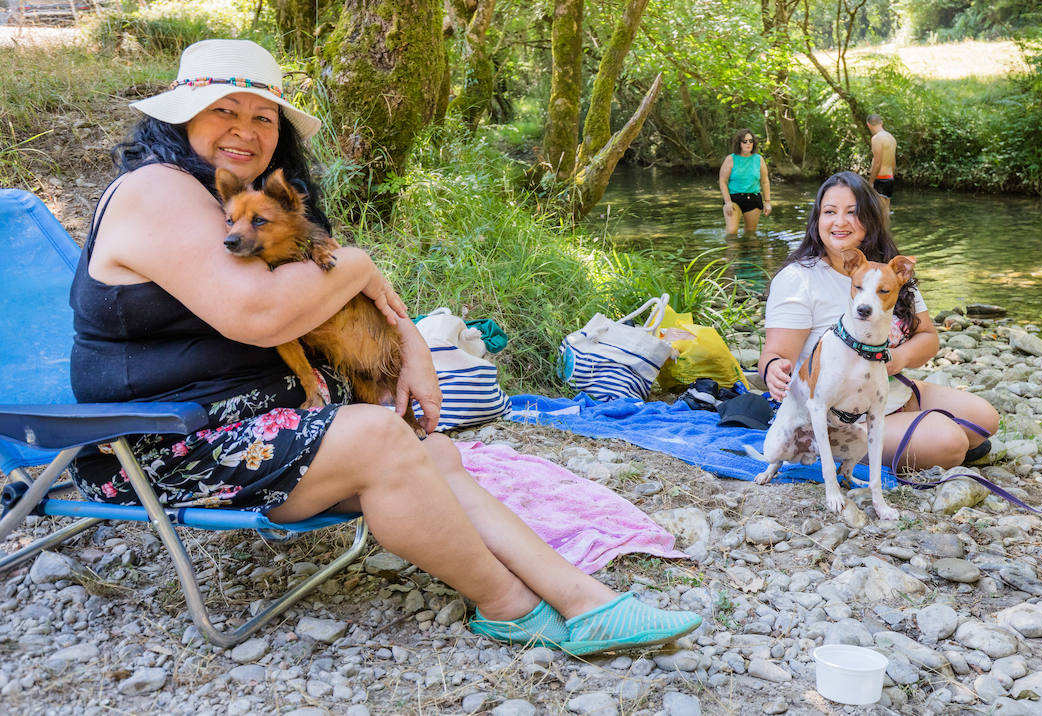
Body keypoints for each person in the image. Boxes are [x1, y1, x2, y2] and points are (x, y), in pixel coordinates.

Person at [68, 39, 700, 655]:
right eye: (223, 112)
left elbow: (335, 291)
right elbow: (257, 315)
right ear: (181, 118)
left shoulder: (237, 202)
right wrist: (363, 262)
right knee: (380, 440)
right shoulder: (159, 189)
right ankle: (511, 608)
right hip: (156, 442)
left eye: (263, 117)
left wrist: (413, 348)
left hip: (262, 427)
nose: (246, 130)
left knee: (436, 457)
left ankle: (586, 600)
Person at [757, 171, 998, 473]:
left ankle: (915, 433)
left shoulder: (888, 271)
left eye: (852, 212)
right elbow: (776, 355)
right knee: (951, 443)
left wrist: (896, 359)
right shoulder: (799, 279)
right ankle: (837, 449)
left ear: (871, 218)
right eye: (829, 212)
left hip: (889, 388)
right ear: (817, 219)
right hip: (838, 414)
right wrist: (774, 369)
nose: (839, 222)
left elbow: (928, 337)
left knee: (985, 419)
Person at [718, 128, 771, 236]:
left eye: (751, 141)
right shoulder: (731, 159)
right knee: (732, 232)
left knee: (750, 234)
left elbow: (765, 181)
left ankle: (748, 253)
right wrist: (727, 202)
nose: (748, 144)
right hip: (734, 199)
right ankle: (732, 253)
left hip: (753, 198)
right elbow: (723, 181)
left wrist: (767, 202)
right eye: (745, 141)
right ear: (739, 143)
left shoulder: (758, 159)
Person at [866, 114, 896, 218]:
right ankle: (887, 233)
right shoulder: (891, 138)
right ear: (881, 122)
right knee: (886, 211)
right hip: (889, 177)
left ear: (868, 125)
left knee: (879, 213)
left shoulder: (876, 139)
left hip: (880, 178)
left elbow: (877, 162)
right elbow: (893, 162)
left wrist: (870, 182)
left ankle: (882, 234)